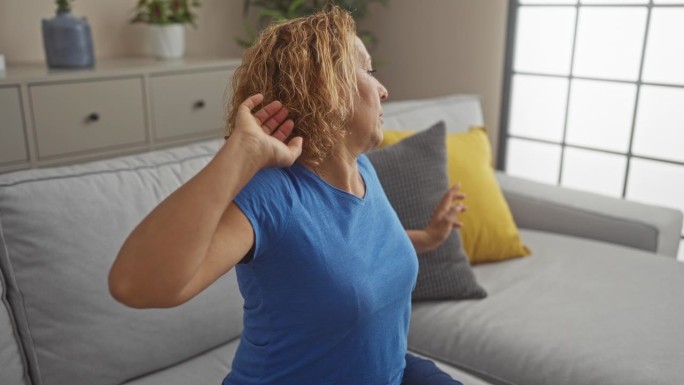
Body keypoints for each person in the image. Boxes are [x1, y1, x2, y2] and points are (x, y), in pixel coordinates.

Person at [109, 5, 465, 385]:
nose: (383, 89)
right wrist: (240, 153)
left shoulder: (364, 171)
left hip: (393, 370)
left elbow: (346, 250)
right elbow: (136, 285)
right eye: (368, 70)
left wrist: (425, 239)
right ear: (325, 88)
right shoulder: (271, 196)